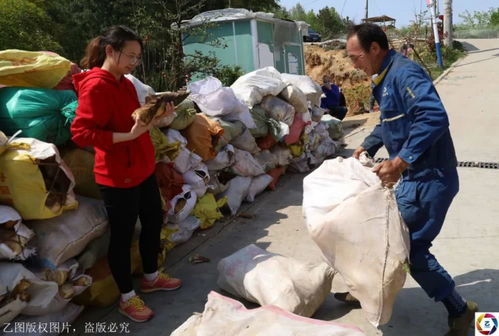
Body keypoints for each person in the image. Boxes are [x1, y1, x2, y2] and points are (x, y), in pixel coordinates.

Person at [342, 23, 477, 336]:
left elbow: (434, 117)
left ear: (375, 48)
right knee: (381, 232)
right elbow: (392, 123)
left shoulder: (405, 74)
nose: (354, 64)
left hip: (431, 179)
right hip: (414, 180)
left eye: (356, 57)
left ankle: (462, 311)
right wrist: (368, 144)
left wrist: (400, 162)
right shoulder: (385, 78)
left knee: (412, 251)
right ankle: (366, 290)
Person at [71, 25, 181, 323]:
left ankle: (150, 276)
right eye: (129, 55)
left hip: (142, 167)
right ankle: (127, 298)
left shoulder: (125, 83)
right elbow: (81, 133)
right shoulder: (96, 86)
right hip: (117, 175)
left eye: (138, 57)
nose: (134, 62)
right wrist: (127, 136)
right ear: (110, 50)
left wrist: (156, 114)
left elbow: (135, 120)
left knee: (153, 221)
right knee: (120, 238)